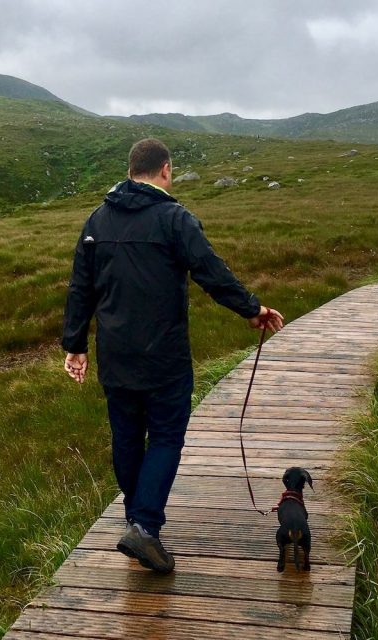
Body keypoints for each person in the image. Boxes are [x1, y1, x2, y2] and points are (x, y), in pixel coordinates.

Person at [61, 138, 283, 573]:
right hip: (165, 358)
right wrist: (252, 308)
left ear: (130, 171)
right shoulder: (174, 219)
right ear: (165, 170)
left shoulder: (97, 220)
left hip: (116, 357)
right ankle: (144, 527)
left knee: (126, 437)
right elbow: (211, 271)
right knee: (164, 437)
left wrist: (75, 345)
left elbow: (79, 288)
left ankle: (135, 520)